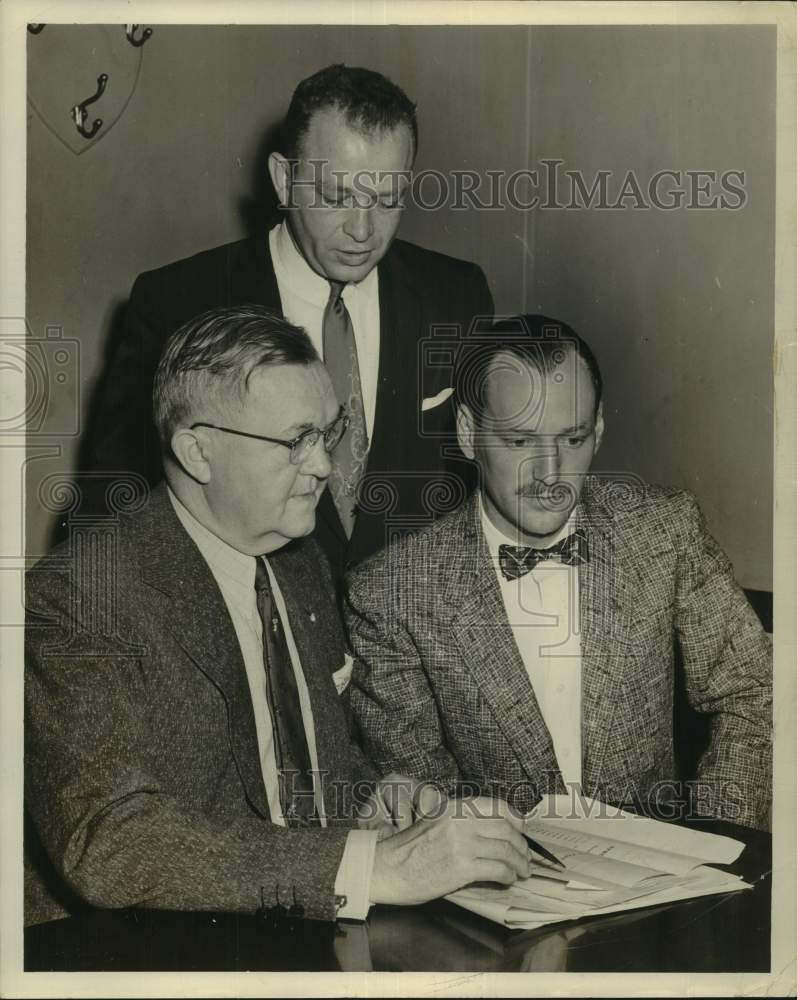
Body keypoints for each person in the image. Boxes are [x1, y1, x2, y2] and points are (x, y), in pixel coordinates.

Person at [24, 306, 532, 928]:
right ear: (197, 453)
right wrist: (373, 866)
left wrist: (373, 798)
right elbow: (108, 839)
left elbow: (306, 751)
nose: (324, 466)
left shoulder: (299, 561)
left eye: (328, 433)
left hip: (293, 926)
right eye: (296, 441)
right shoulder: (78, 596)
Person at [344, 315, 773, 831]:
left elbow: (753, 688)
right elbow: (420, 790)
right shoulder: (390, 591)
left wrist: (716, 836)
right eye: (521, 442)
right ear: (467, 434)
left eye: (571, 440)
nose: (550, 474)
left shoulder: (664, 532)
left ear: (597, 432)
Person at [83, 63, 493, 578]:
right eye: (336, 196)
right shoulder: (177, 301)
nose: (362, 230)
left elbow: (476, 486)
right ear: (284, 178)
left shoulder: (457, 295)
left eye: (387, 200)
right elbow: (111, 504)